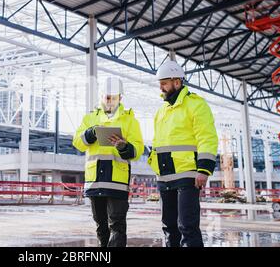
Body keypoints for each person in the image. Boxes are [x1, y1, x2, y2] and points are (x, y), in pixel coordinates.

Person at [148, 60, 218, 247]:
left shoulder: (196, 104)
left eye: (164, 83)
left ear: (177, 82)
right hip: (164, 177)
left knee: (187, 226)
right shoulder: (162, 110)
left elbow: (207, 137)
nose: (161, 88)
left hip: (187, 175)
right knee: (169, 227)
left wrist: (203, 169)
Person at [72, 76, 144, 247]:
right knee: (101, 226)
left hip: (116, 181)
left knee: (117, 225)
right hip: (95, 181)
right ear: (102, 96)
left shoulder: (129, 120)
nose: (109, 100)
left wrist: (124, 146)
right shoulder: (90, 119)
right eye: (107, 97)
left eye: (113, 97)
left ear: (121, 98)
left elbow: (138, 149)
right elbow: (77, 142)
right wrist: (90, 134)